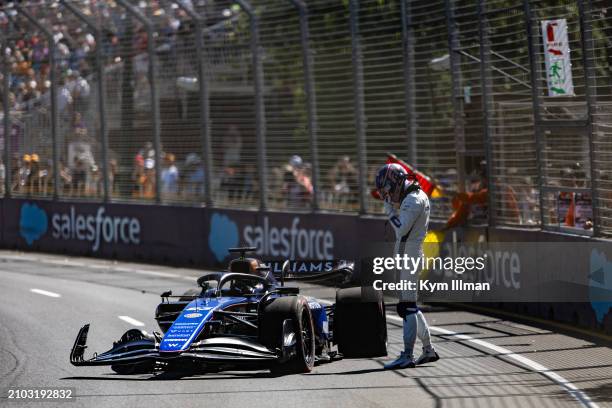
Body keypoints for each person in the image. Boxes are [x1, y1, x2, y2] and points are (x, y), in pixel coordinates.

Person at [375, 163, 440, 369]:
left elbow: (401, 229)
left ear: (396, 182)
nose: (389, 196)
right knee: (410, 306)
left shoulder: (413, 199)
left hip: (410, 258)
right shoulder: (414, 196)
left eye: (388, 190)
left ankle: (407, 354)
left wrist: (388, 211)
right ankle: (428, 349)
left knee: (407, 308)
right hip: (409, 257)